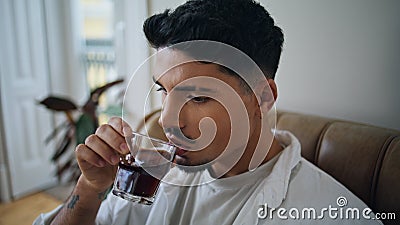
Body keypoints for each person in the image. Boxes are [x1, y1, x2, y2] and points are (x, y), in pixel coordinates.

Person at [34, 0, 382, 224]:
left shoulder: (329, 213)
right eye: (163, 90)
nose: (168, 120)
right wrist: (90, 187)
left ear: (262, 97)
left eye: (198, 97)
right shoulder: (157, 175)